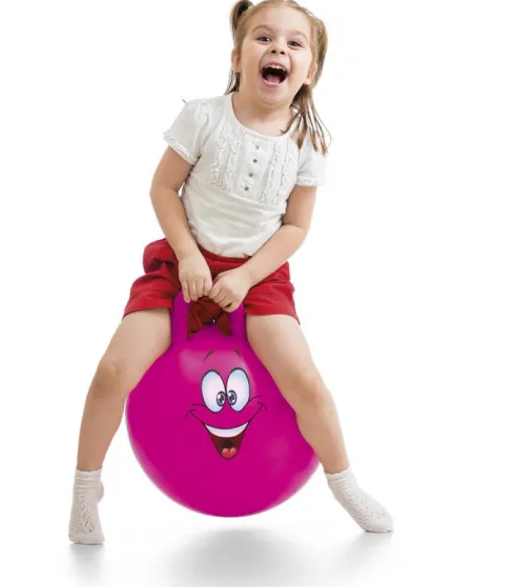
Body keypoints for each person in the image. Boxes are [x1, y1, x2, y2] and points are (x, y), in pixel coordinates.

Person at [69, 0, 393, 545]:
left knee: (307, 383)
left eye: (294, 43)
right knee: (112, 369)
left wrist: (245, 277)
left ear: (309, 71)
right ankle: (84, 490)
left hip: (259, 276)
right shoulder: (203, 117)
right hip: (181, 265)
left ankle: (344, 485)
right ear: (237, 55)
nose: (278, 48)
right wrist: (189, 255)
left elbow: (295, 227)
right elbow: (162, 188)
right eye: (264, 37)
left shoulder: (307, 142)